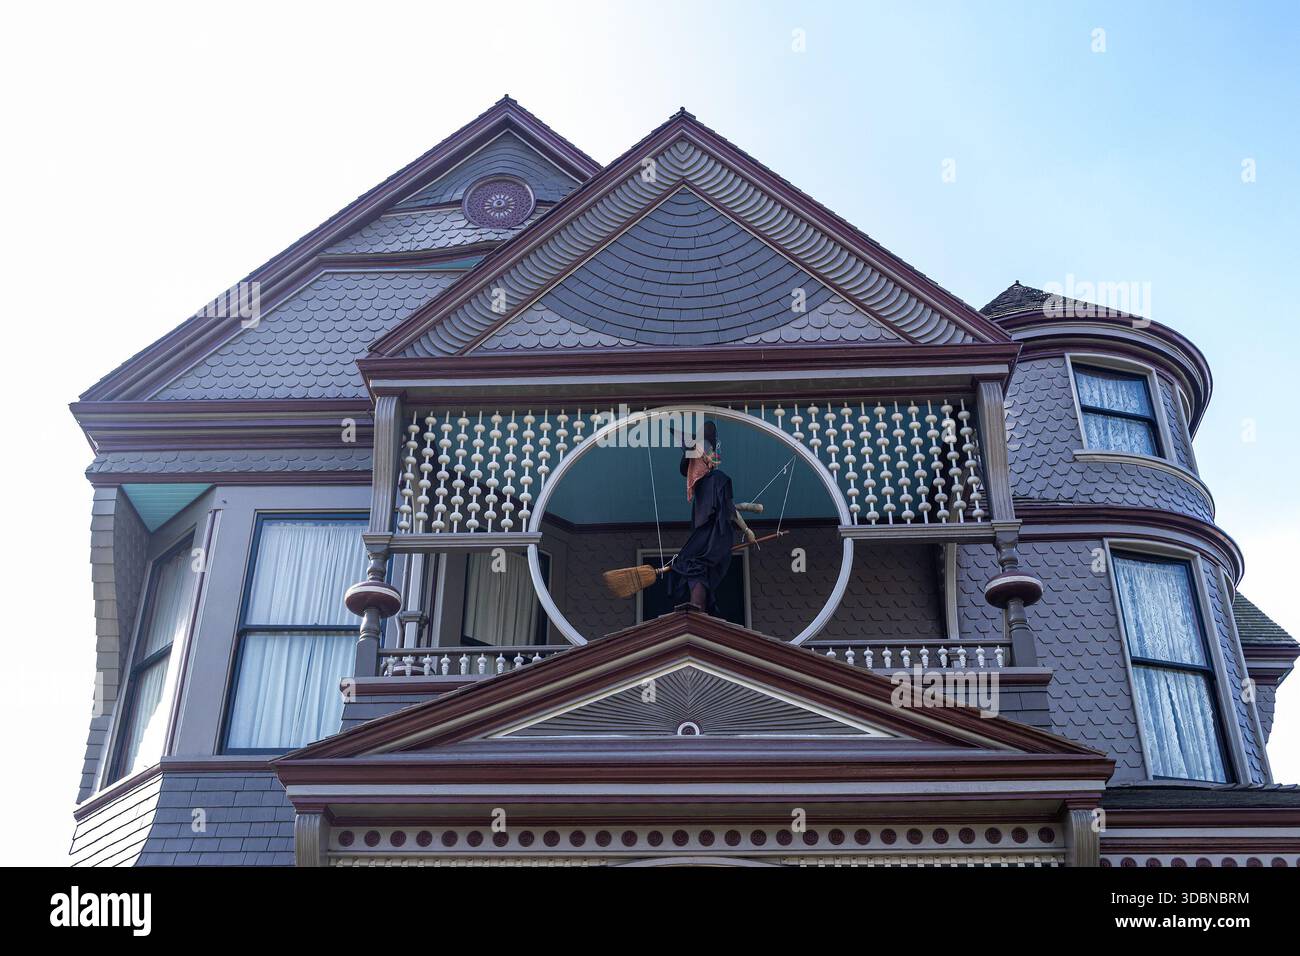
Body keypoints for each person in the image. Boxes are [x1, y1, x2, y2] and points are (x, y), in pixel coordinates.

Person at [665, 421, 757, 614]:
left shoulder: (717, 479)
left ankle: (697, 608)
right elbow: (725, 507)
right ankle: (698, 607)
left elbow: (727, 510)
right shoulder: (704, 485)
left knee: (691, 563)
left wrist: (747, 530)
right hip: (707, 534)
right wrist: (747, 516)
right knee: (690, 564)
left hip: (715, 535)